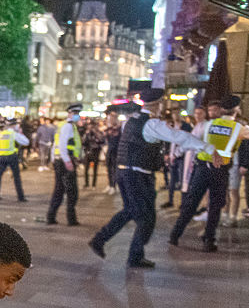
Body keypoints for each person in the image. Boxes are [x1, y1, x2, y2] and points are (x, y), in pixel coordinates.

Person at [89, 93, 217, 268]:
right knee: (145, 217)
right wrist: (208, 147)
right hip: (138, 175)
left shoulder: (132, 120)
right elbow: (180, 137)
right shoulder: (152, 123)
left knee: (133, 212)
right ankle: (126, 253)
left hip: (126, 172)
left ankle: (106, 243)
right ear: (157, 105)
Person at [169, 95, 249, 252]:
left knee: (191, 202)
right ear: (236, 109)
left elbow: (191, 141)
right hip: (220, 171)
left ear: (222, 109)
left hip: (202, 168)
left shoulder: (208, 125)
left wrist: (176, 154)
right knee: (216, 206)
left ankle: (175, 235)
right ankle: (209, 240)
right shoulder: (238, 128)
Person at [46, 103, 84, 226]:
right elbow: (62, 145)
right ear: (70, 114)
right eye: (75, 114)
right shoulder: (68, 126)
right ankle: (71, 219)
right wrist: (68, 161)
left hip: (59, 160)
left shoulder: (63, 125)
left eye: (78, 114)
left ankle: (51, 216)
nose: (77, 116)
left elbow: (55, 145)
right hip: (65, 161)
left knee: (59, 190)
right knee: (72, 192)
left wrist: (53, 159)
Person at [0, 118, 30, 202]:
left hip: (1, 157)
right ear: (13, 125)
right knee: (16, 178)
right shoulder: (13, 134)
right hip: (12, 157)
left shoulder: (0, 134)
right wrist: (19, 134)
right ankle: (21, 197)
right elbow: (26, 142)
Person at [102, 110, 121, 193]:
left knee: (114, 169)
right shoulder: (108, 128)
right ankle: (110, 184)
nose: (111, 119)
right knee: (109, 168)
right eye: (110, 117)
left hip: (116, 151)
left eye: (113, 117)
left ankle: (114, 185)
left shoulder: (119, 128)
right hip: (109, 150)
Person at [81, 121, 104, 189]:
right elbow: (83, 142)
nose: (91, 128)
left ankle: (93, 185)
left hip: (95, 152)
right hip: (88, 152)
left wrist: (96, 134)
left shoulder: (98, 133)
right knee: (86, 170)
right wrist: (86, 135)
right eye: (89, 126)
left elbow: (101, 141)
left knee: (95, 170)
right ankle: (87, 184)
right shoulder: (87, 133)